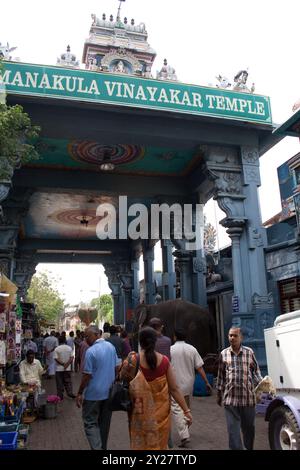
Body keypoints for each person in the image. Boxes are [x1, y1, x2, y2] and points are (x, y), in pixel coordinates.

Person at [120, 327, 192, 450]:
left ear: (140, 342)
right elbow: (174, 389)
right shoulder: (164, 361)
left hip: (139, 415)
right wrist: (186, 411)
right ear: (155, 342)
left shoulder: (132, 360)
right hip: (161, 416)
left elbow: (122, 377)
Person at [216, 326, 262, 450]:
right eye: (230, 335)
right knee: (233, 432)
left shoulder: (249, 352)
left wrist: (262, 386)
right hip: (230, 399)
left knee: (249, 430)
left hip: (247, 398)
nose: (232, 338)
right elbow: (221, 376)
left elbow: (256, 372)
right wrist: (219, 394)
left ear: (241, 337)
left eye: (235, 335)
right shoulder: (223, 354)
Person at [76, 326, 120, 451]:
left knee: (90, 423)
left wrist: (79, 392)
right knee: (104, 424)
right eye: (84, 336)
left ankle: (97, 448)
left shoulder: (91, 351)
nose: (85, 339)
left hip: (93, 394)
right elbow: (117, 367)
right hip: (109, 392)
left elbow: (87, 375)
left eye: (87, 336)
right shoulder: (110, 347)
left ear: (97, 335)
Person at [170, 328, 213, 447]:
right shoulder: (192, 349)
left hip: (175, 384)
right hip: (189, 384)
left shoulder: (170, 350)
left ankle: (184, 436)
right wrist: (206, 382)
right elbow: (199, 367)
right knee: (186, 408)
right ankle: (186, 426)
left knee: (176, 408)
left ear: (174, 337)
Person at [54, 336, 76, 400]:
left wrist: (63, 364)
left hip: (59, 369)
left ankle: (60, 396)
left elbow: (56, 358)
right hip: (67, 369)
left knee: (59, 383)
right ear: (65, 341)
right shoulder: (69, 348)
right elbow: (72, 358)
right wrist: (67, 364)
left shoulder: (57, 349)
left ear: (59, 341)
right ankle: (70, 393)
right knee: (68, 381)